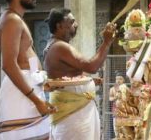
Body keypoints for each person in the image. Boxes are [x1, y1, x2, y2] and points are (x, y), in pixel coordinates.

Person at [0, 0, 55, 139]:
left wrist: (41, 80)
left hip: (28, 89)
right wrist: (36, 100)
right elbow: (8, 64)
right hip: (20, 95)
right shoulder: (11, 20)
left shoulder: (15, 19)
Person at [43, 8, 117, 140]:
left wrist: (87, 81)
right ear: (59, 26)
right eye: (71, 22)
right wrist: (106, 42)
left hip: (75, 112)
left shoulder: (55, 45)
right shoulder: (60, 47)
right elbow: (92, 66)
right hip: (73, 115)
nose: (76, 25)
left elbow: (68, 75)